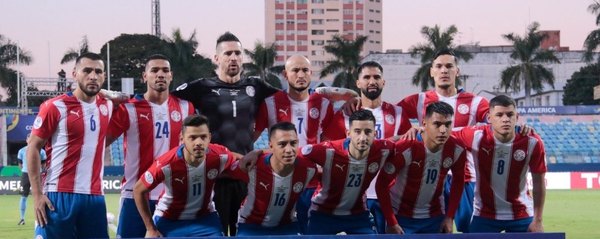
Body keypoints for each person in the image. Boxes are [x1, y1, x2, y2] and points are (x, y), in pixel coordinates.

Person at [397, 49, 489, 232]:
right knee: (436, 229)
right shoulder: (420, 100)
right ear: (432, 71)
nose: (444, 71)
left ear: (457, 71)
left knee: (468, 229)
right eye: (439, 66)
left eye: (449, 66)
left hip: (463, 177)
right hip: (429, 177)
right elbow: (389, 114)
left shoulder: (476, 102)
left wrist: (458, 133)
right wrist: (410, 128)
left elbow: (496, 123)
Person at [106, 54, 195, 238]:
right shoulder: (128, 108)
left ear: (171, 76)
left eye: (165, 70)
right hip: (134, 195)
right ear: (144, 76)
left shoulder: (186, 108)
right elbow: (101, 141)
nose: (160, 74)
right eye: (154, 70)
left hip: (171, 196)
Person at [27, 52, 113, 238]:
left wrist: (110, 93)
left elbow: (129, 99)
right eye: (87, 70)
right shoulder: (55, 106)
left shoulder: (109, 105)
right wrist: (37, 195)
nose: (93, 76)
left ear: (104, 76)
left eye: (98, 72)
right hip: (58, 195)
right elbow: (33, 147)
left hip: (95, 197)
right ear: (74, 74)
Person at [324, 61, 412, 234]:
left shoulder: (398, 113)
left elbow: (409, 148)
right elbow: (328, 148)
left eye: (377, 77)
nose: (372, 81)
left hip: (389, 195)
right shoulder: (344, 115)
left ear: (383, 82)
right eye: (366, 77)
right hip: (355, 197)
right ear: (358, 83)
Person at [254, 55, 335, 234]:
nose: (300, 74)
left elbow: (329, 144)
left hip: (311, 182)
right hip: (279, 180)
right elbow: (252, 137)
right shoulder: (270, 103)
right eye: (295, 70)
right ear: (285, 74)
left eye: (305, 70)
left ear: (311, 73)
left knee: (310, 231)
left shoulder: (324, 104)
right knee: (281, 230)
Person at [453, 95, 547, 233]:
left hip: (521, 214)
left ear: (517, 116)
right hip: (484, 215)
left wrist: (538, 220)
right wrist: (419, 130)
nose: (505, 119)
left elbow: (539, 183)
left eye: (510, 115)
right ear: (489, 118)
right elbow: (442, 133)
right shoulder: (476, 136)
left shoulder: (532, 142)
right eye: (499, 115)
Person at [133, 114, 237, 237]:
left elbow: (238, 159)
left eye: (203, 137)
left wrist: (258, 153)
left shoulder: (220, 156)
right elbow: (138, 190)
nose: (198, 142)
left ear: (209, 137)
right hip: (169, 220)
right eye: (192, 137)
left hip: (205, 218)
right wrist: (150, 229)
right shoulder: (166, 164)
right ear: (182, 139)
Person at [299, 109, 395, 235]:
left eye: (368, 132)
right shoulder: (329, 150)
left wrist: (414, 131)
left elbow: (400, 144)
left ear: (375, 134)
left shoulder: (384, 149)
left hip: (358, 215)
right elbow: (293, 154)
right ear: (348, 133)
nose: (362, 137)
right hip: (323, 214)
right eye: (357, 131)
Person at [376, 101, 467, 234]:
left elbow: (458, 181)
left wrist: (450, 217)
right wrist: (391, 222)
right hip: (401, 216)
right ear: (424, 123)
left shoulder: (457, 148)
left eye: (447, 125)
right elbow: (381, 184)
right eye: (437, 124)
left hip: (435, 216)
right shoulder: (406, 147)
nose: (443, 130)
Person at [229, 121, 317, 235]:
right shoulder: (253, 166)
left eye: (293, 143)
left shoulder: (309, 169)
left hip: (287, 226)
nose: (289, 150)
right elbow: (225, 168)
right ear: (271, 146)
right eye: (282, 144)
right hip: (251, 226)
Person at [16, 134, 47, 226]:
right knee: (24, 197)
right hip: (27, 174)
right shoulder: (22, 151)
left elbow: (43, 164)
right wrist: (25, 170)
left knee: (40, 196)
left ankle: (41, 218)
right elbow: (20, 163)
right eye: (28, 138)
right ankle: (22, 219)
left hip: (34, 174)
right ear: (26, 140)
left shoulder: (41, 151)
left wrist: (38, 170)